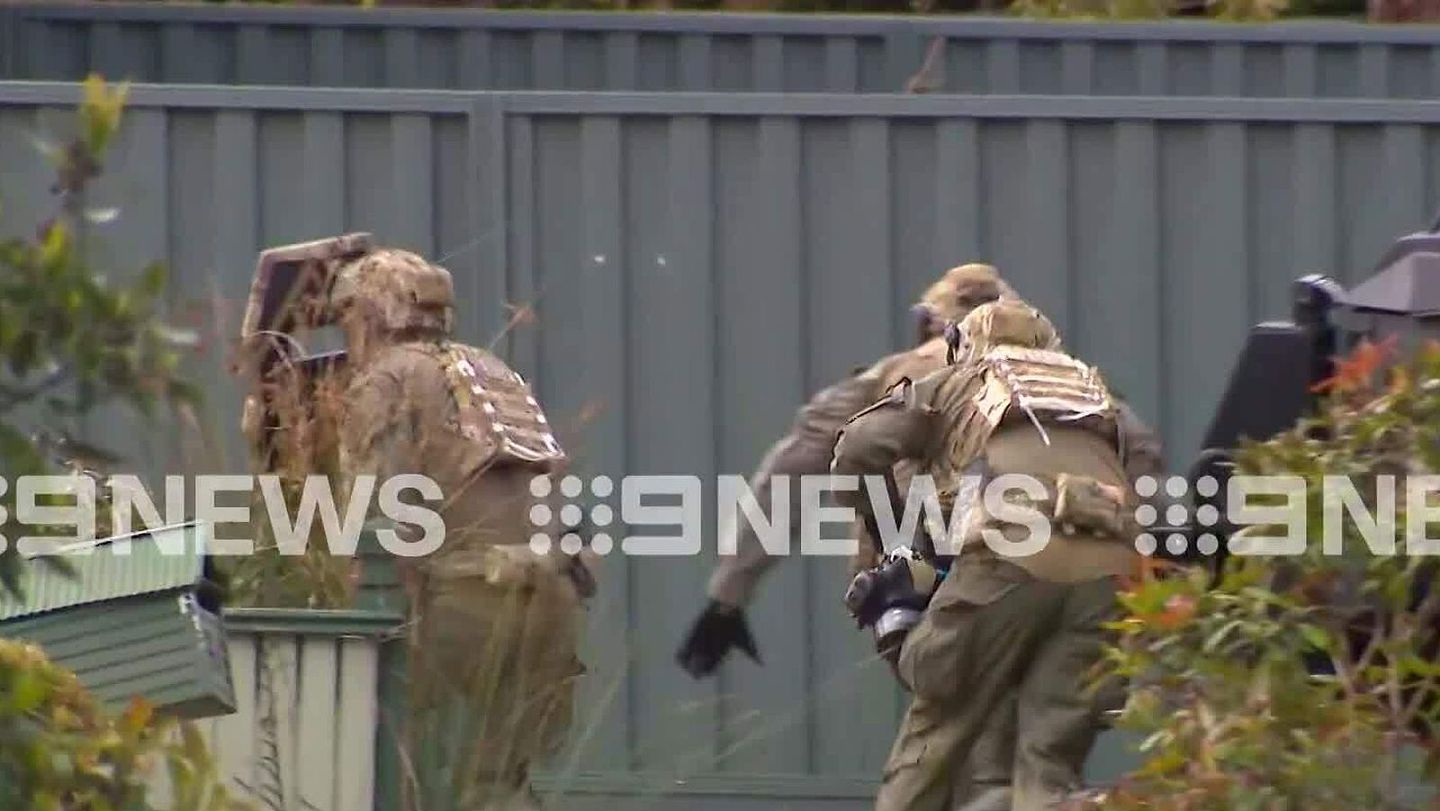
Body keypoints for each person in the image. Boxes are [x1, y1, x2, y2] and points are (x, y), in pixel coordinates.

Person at [830, 299, 1155, 811]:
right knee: (1046, 775)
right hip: (1110, 574)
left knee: (937, 706)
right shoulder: (1100, 395)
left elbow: (857, 447)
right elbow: (1149, 481)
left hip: (1010, 553)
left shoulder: (963, 378)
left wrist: (895, 538)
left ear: (967, 346)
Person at [328, 243, 592, 811]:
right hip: (551, 602)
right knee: (499, 783)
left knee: (396, 767)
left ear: (370, 313)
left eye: (347, 315)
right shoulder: (494, 372)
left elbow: (370, 515)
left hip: (463, 605)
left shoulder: (386, 377)